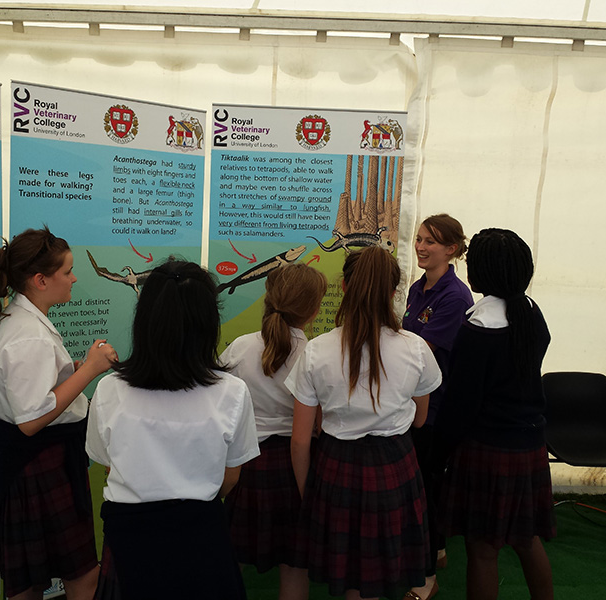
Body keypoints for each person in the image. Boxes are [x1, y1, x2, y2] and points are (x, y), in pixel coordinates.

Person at [86, 258, 260, 600]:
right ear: (209, 322)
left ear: (145, 319)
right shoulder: (232, 392)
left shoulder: (110, 389)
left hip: (128, 541)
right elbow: (231, 476)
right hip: (201, 540)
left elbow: (108, 464)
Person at [288, 246, 442, 600]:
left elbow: (299, 441)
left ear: (343, 287)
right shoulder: (417, 348)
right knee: (377, 568)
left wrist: (307, 492)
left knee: (353, 575)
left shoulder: (316, 351)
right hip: (395, 464)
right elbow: (420, 420)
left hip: (335, 467)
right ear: (393, 292)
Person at [0, 226, 118, 600]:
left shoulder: (16, 322)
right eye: (67, 272)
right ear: (40, 280)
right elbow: (31, 420)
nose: (74, 278)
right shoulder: (28, 335)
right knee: (82, 577)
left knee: (25, 583)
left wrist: (70, 368)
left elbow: (28, 392)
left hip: (22, 466)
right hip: (36, 465)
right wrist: (89, 370)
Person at [437, 228, 555, 600]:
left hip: (487, 449)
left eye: (471, 261)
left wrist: (437, 452)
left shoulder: (479, 329)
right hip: (528, 444)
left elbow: (461, 405)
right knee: (526, 538)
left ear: (484, 272)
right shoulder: (532, 315)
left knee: (483, 549)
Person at [222, 263, 328, 600]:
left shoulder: (239, 348)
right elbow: (318, 423)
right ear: (313, 311)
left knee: (231, 558)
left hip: (245, 465)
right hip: (296, 467)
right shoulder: (315, 355)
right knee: (295, 566)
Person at [402, 213, 474, 599]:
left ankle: (426, 577)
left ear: (452, 249)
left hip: (435, 408)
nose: (421, 247)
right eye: (418, 239)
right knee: (427, 483)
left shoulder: (455, 296)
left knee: (425, 490)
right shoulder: (418, 288)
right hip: (416, 402)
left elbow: (420, 351)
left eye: (430, 241)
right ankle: (439, 550)